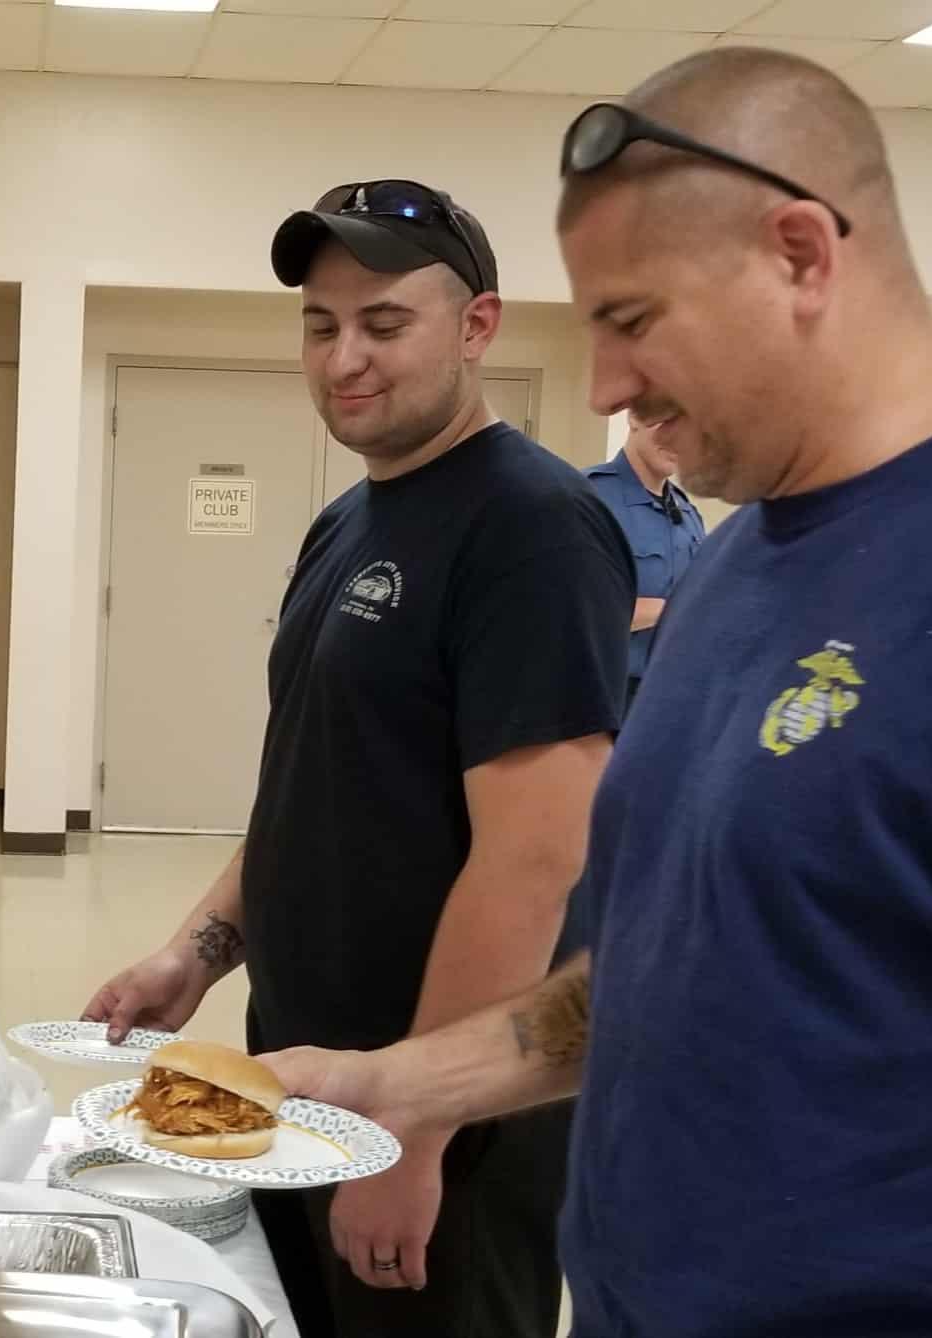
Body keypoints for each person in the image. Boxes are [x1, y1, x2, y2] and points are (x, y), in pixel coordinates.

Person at [266, 48, 932, 1338]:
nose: (605, 387)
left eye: (632, 320)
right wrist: (396, 1086)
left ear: (799, 254)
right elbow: (648, 970)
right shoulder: (738, 567)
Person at [82, 181, 632, 1336]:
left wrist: (412, 1131)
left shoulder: (529, 526)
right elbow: (312, 789)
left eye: (384, 324)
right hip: (301, 1070)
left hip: (444, 1113)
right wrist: (193, 955)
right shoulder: (350, 520)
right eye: (321, 326)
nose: (345, 359)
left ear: (475, 327)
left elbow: (533, 860)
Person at [582, 413, 704, 710]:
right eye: (667, 420)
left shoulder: (687, 514)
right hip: (604, 701)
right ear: (634, 417)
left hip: (673, 696)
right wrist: (674, 610)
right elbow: (573, 612)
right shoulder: (588, 498)